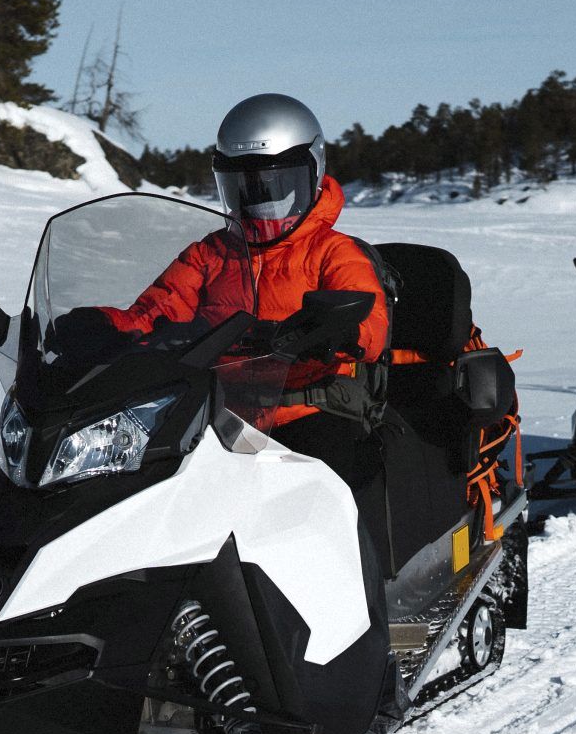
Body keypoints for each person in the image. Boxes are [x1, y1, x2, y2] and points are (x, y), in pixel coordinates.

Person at [106, 94, 391, 479]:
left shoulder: (333, 252)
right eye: (244, 188)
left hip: (307, 411)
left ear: (312, 173)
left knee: (323, 493)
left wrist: (330, 332)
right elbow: (152, 313)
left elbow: (371, 326)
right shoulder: (211, 253)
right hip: (215, 417)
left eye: (275, 186)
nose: (259, 202)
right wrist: (97, 327)